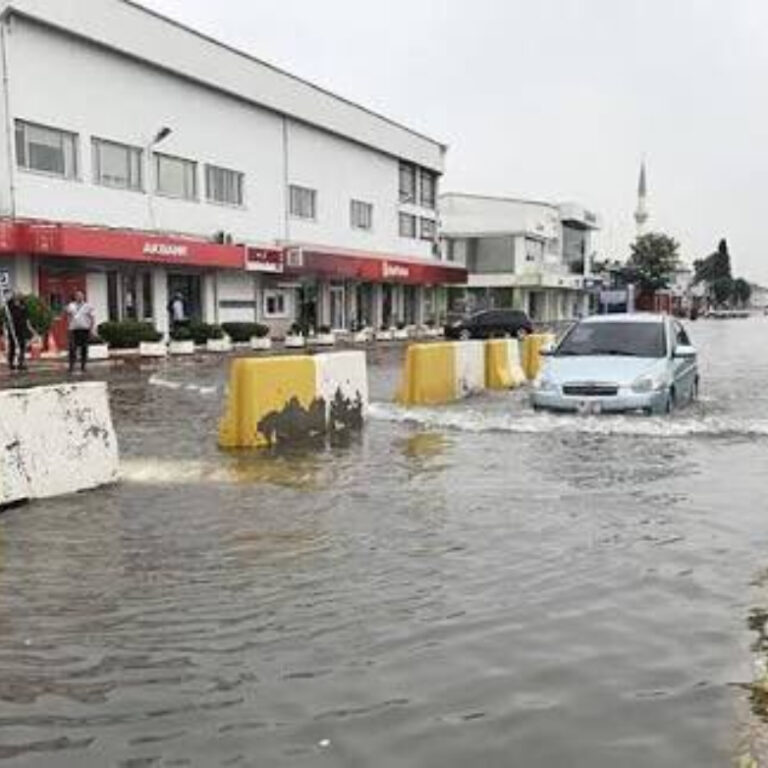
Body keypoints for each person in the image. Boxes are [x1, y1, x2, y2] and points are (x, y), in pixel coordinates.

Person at [66, 290, 95, 373]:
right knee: (72, 348)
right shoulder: (71, 306)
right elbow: (68, 316)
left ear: (83, 297)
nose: (79, 297)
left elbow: (92, 318)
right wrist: (69, 326)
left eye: (81, 295)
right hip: (73, 330)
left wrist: (91, 329)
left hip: (84, 329)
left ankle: (83, 366)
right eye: (77, 295)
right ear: (75, 297)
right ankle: (71, 366)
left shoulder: (88, 306)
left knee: (84, 348)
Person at [5, 293, 34, 372]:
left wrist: (30, 329)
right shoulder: (10, 306)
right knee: (12, 346)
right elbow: (6, 307)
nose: (17, 297)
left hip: (21, 329)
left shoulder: (23, 306)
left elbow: (26, 319)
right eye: (16, 296)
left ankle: (20, 362)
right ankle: (11, 363)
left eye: (19, 296)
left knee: (22, 346)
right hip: (13, 329)